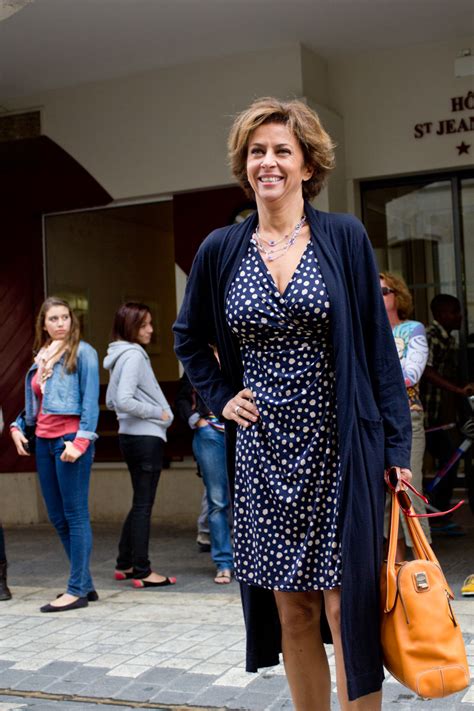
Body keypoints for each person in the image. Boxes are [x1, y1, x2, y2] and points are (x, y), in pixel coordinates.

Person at [173, 97, 412, 710]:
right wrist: (223, 397)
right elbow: (188, 336)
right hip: (263, 451)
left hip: (340, 447)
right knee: (295, 612)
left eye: (283, 150)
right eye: (258, 152)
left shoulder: (343, 238)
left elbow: (378, 352)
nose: (269, 162)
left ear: (308, 165)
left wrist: (396, 449)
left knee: (345, 607)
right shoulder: (220, 249)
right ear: (244, 165)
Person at [10, 297, 99, 612]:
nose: (61, 323)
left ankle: (76, 590)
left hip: (68, 441)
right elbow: (36, 403)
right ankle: (85, 584)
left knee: (75, 515)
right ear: (43, 324)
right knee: (58, 516)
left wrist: (81, 442)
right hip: (44, 443)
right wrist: (17, 426)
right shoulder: (43, 356)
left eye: (65, 317)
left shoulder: (83, 353)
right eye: (54, 319)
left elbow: (90, 403)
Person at [104, 302, 176, 588]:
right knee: (144, 504)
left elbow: (112, 400)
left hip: (129, 436)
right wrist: (159, 413)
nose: (150, 329)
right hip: (146, 436)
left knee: (139, 502)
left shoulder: (117, 355)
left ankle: (125, 563)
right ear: (131, 326)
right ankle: (143, 570)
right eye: (144, 324)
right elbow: (122, 400)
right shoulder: (133, 356)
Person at [379, 272, 431, 560]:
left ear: (398, 295)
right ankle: (396, 571)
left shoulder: (412, 329)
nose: (379, 296)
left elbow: (412, 375)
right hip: (373, 423)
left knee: (409, 490)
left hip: (407, 417)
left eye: (384, 291)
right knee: (383, 501)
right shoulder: (365, 332)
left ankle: (425, 567)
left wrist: (377, 374)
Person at [175, 370, 233, 583]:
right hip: (209, 432)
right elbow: (181, 398)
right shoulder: (199, 359)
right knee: (217, 500)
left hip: (241, 430)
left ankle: (252, 561)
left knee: (250, 498)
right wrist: (196, 420)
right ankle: (224, 563)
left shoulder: (239, 354)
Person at [421, 294, 474, 527]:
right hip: (427, 412)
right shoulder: (430, 336)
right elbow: (427, 371)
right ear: (441, 315)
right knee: (448, 455)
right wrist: (458, 390)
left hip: (442, 413)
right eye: (454, 312)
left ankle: (438, 511)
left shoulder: (448, 339)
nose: (459, 317)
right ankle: (436, 512)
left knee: (450, 456)